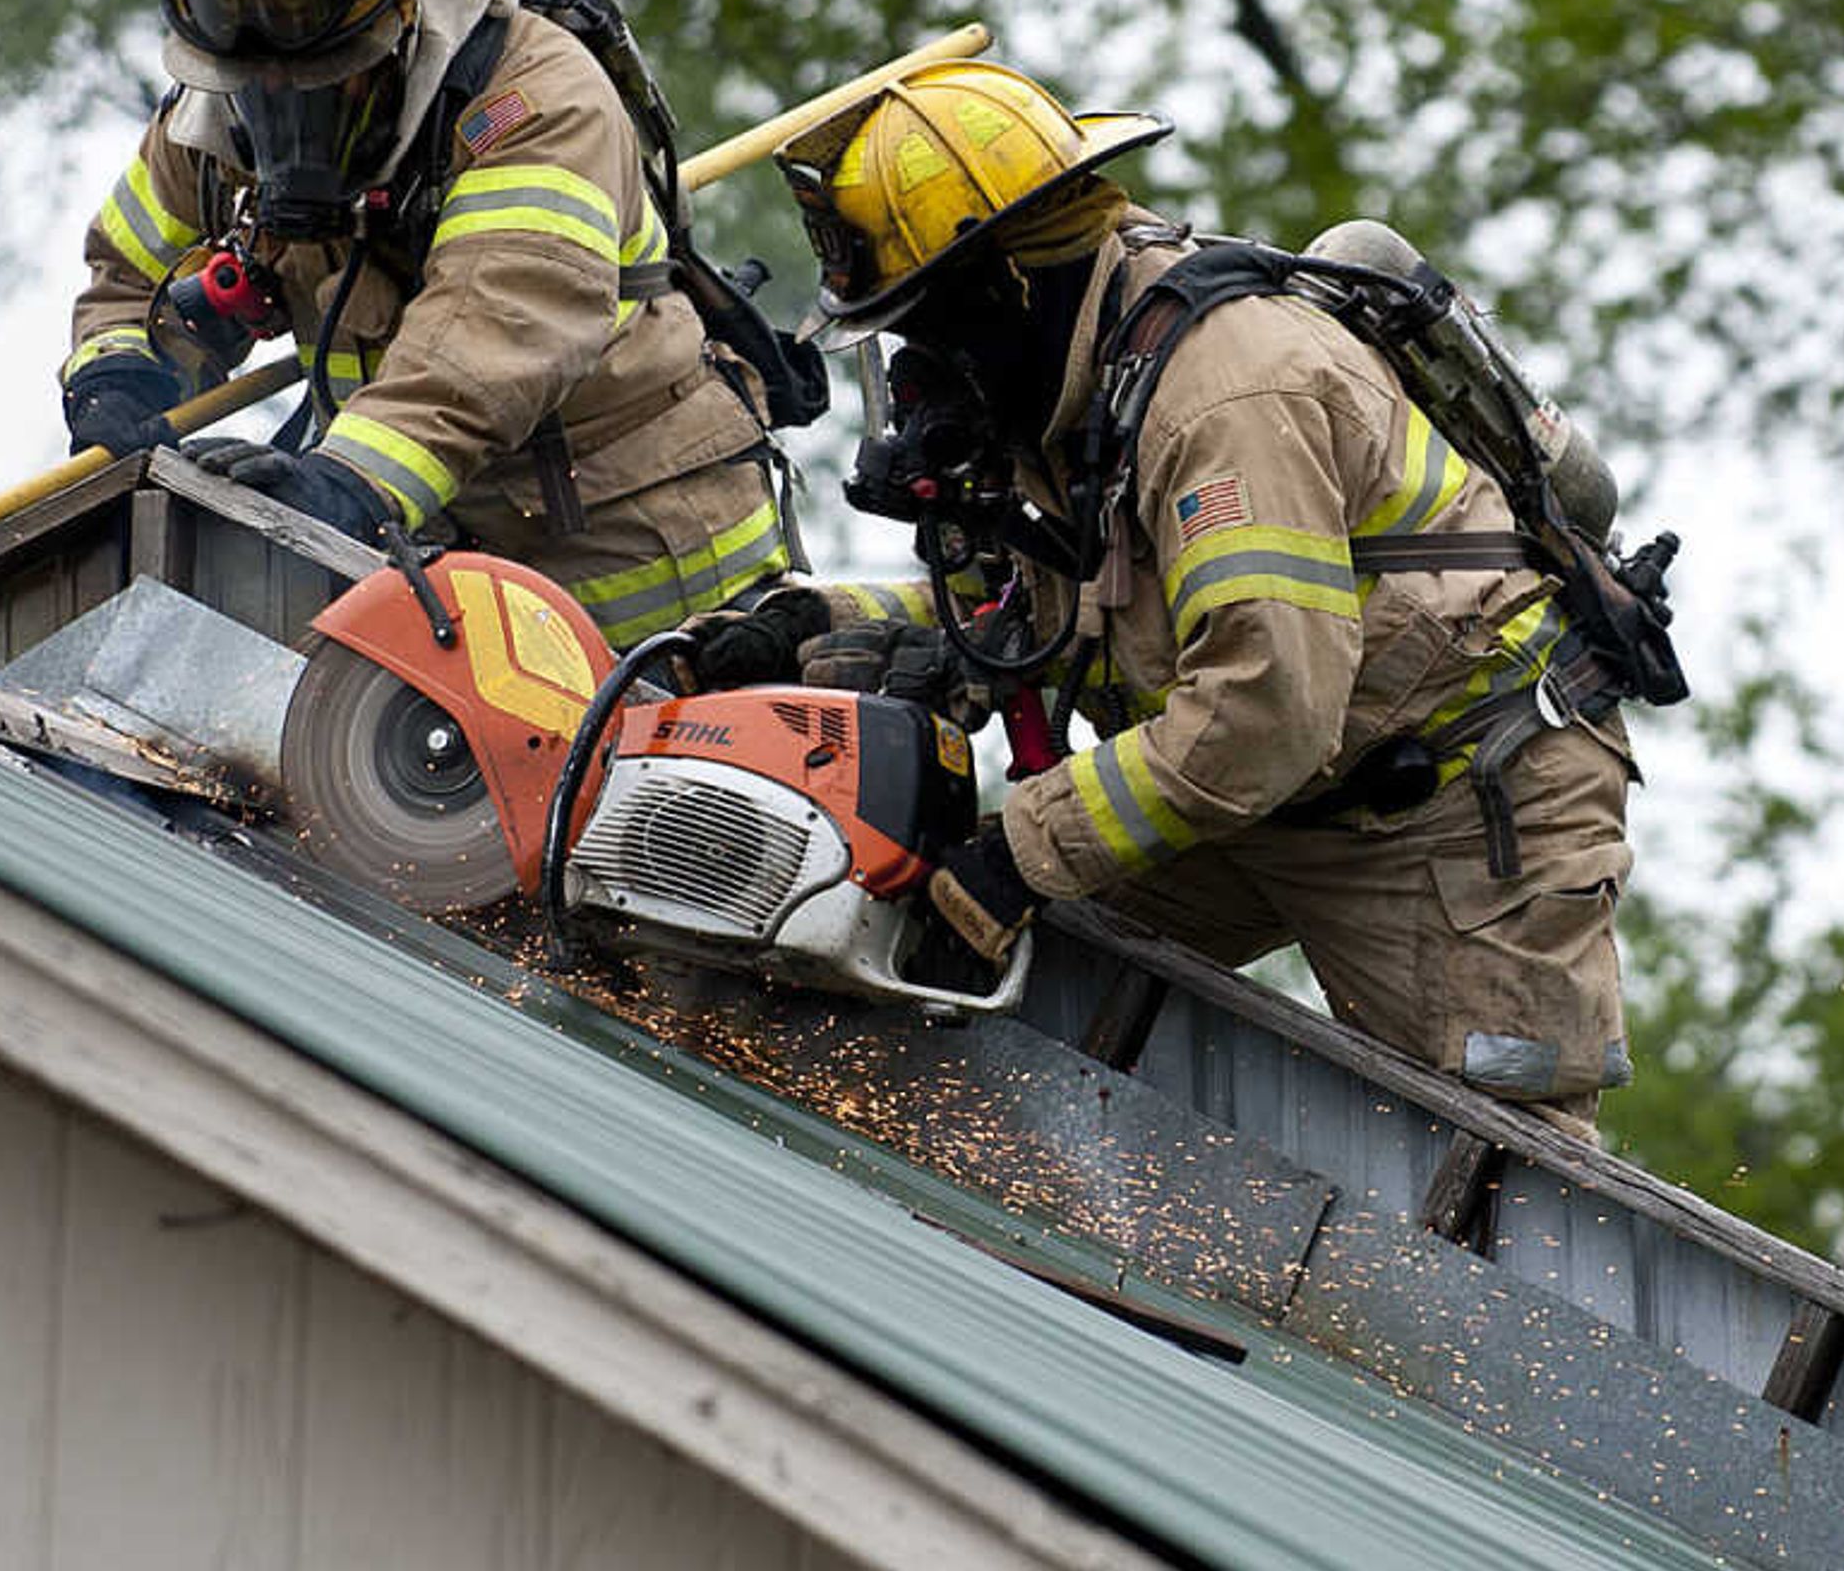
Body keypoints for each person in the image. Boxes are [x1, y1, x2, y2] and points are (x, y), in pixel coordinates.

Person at [703, 58, 1641, 1131]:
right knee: (998, 999)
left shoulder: (1226, 393)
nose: (920, 368)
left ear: (1008, 282)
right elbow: (1038, 616)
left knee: (1496, 1199)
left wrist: (1019, 852)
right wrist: (818, 621)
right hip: (1262, 789)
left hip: (1453, 806)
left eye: (927, 326)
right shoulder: (1076, 383)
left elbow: (1262, 707)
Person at [55, 0, 793, 649]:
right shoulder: (210, 112)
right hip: (428, 558)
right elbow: (124, 275)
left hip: (634, 572)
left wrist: (340, 486)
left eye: (313, 57)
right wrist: (117, 382)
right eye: (241, 45)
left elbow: (490, 334)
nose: (276, 90)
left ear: (397, 7)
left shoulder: (533, 101)